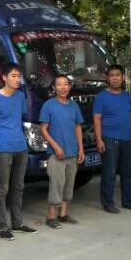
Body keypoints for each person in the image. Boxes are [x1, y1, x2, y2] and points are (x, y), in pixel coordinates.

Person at [0, 62, 37, 240]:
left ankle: (18, 223)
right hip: (3, 149)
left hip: (21, 147)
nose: (17, 79)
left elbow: (20, 118)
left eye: (19, 76)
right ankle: (2, 226)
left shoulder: (20, 96)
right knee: (2, 188)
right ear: (4, 77)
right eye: (13, 76)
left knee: (19, 186)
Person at [93, 64, 131, 213]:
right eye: (112, 75)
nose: (115, 78)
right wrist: (99, 139)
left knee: (128, 172)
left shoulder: (127, 96)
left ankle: (128, 201)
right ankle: (108, 203)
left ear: (123, 77)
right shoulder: (101, 97)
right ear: (107, 78)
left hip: (128, 139)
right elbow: (97, 119)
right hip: (110, 140)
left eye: (118, 75)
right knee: (109, 172)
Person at [39, 75, 85, 228]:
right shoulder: (49, 105)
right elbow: (43, 129)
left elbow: (78, 127)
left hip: (72, 152)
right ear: (54, 88)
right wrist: (56, 147)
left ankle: (63, 214)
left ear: (70, 87)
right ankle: (51, 217)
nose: (63, 87)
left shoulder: (74, 106)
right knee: (56, 185)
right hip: (56, 154)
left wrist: (81, 149)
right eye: (59, 84)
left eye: (66, 84)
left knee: (69, 185)